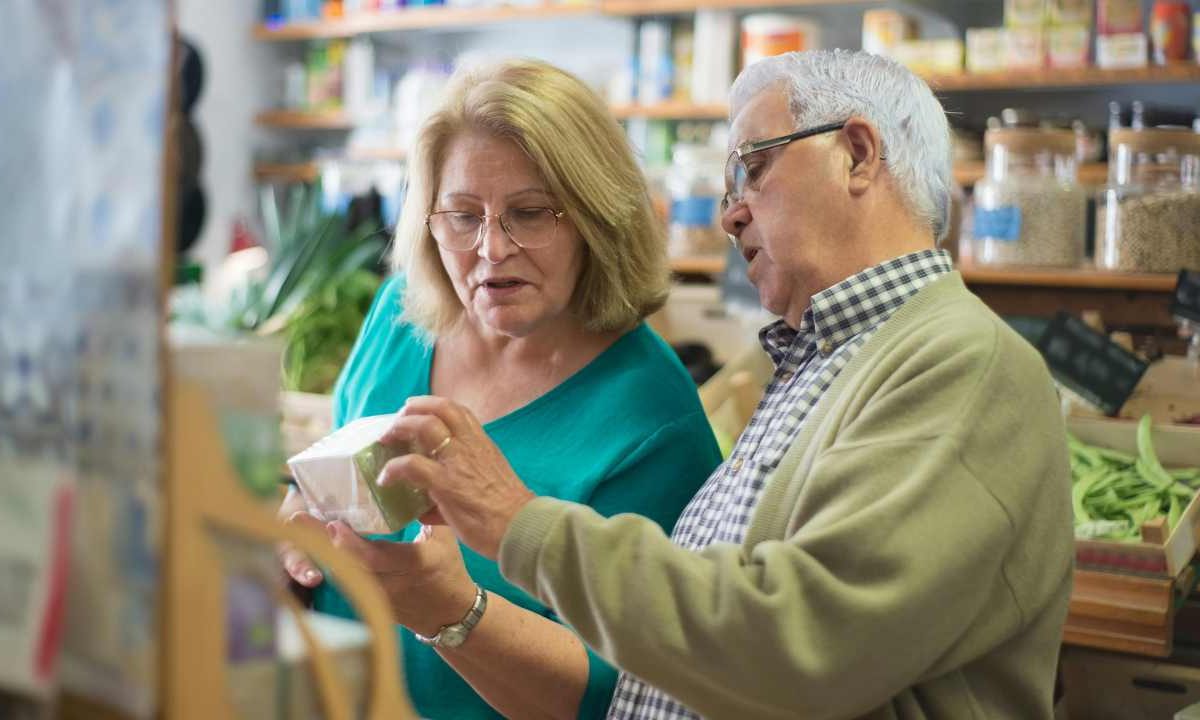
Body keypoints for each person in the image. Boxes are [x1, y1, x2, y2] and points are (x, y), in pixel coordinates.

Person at [379, 50, 1075, 719]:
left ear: (858, 154)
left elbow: (802, 644)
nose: (730, 213)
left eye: (753, 167)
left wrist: (516, 524)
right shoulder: (837, 357)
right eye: (464, 216)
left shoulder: (962, 363)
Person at [276, 58, 723, 720]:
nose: (491, 248)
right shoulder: (402, 318)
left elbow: (628, 697)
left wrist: (454, 614)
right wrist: (296, 522)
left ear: (597, 219)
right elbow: (333, 476)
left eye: (530, 213)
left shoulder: (653, 424)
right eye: (461, 215)